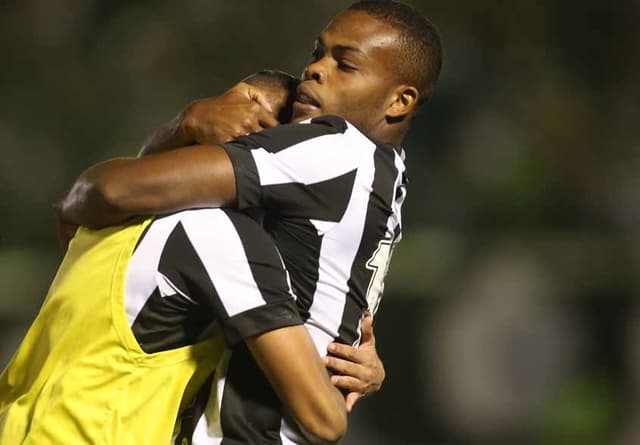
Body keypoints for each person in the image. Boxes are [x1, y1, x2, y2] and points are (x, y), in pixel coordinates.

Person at [59, 1, 443, 443]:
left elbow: (115, 190)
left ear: (400, 100)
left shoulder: (332, 149)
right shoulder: (388, 175)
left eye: (345, 64)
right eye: (317, 52)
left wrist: (190, 121)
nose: (316, 69)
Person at [0, 73, 355, 445]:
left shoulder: (108, 213)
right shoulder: (219, 236)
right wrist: (341, 370)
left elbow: (77, 208)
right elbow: (323, 420)